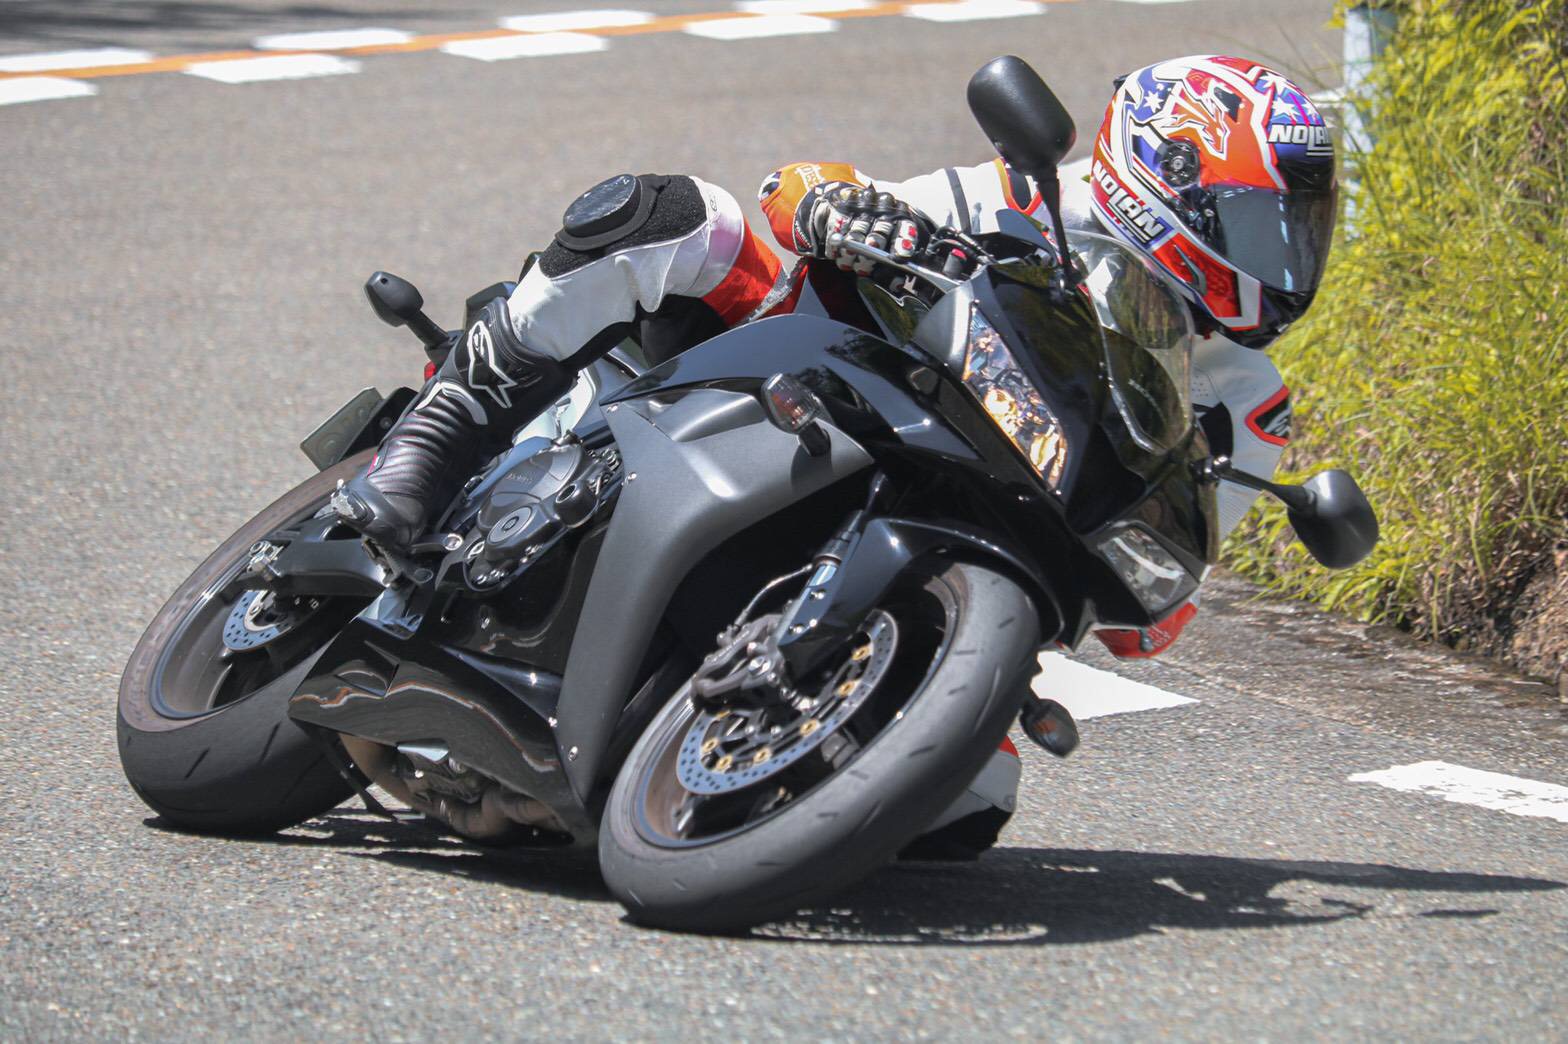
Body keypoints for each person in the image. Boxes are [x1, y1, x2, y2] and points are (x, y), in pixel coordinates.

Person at [332, 54, 1336, 663]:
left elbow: (1140, 624)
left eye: (1298, 232)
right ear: (1169, 171)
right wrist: (834, 208)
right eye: (1261, 225)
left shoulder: (1244, 403)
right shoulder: (1025, 198)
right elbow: (800, 188)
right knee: (684, 218)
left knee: (958, 822)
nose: (1283, 261)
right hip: (791, 391)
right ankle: (444, 430)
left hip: (952, 543)